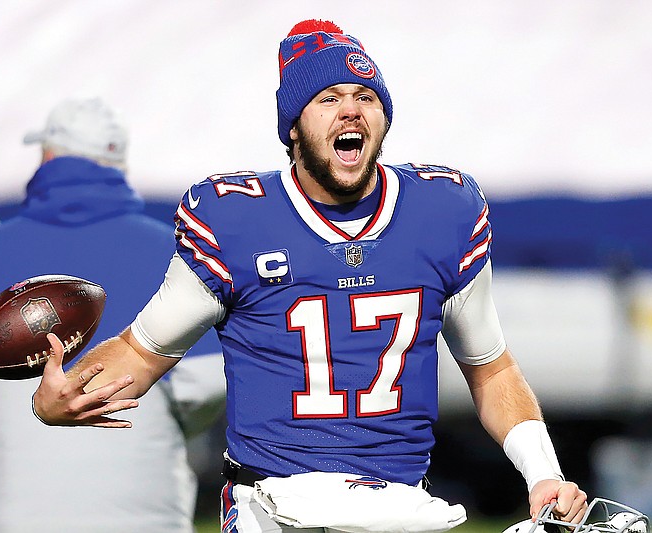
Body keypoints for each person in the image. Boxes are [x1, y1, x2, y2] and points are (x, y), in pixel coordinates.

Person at [32, 21, 589, 532]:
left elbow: (491, 369)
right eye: (328, 99)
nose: (350, 111)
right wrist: (61, 398)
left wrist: (543, 473)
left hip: (396, 506)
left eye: (365, 97)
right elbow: (142, 349)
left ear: (384, 119)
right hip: (268, 505)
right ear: (293, 127)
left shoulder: (444, 211)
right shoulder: (235, 219)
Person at [0, 97, 226, 533]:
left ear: (48, 155)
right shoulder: (172, 247)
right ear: (118, 162)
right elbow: (207, 382)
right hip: (146, 504)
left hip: (16, 508)